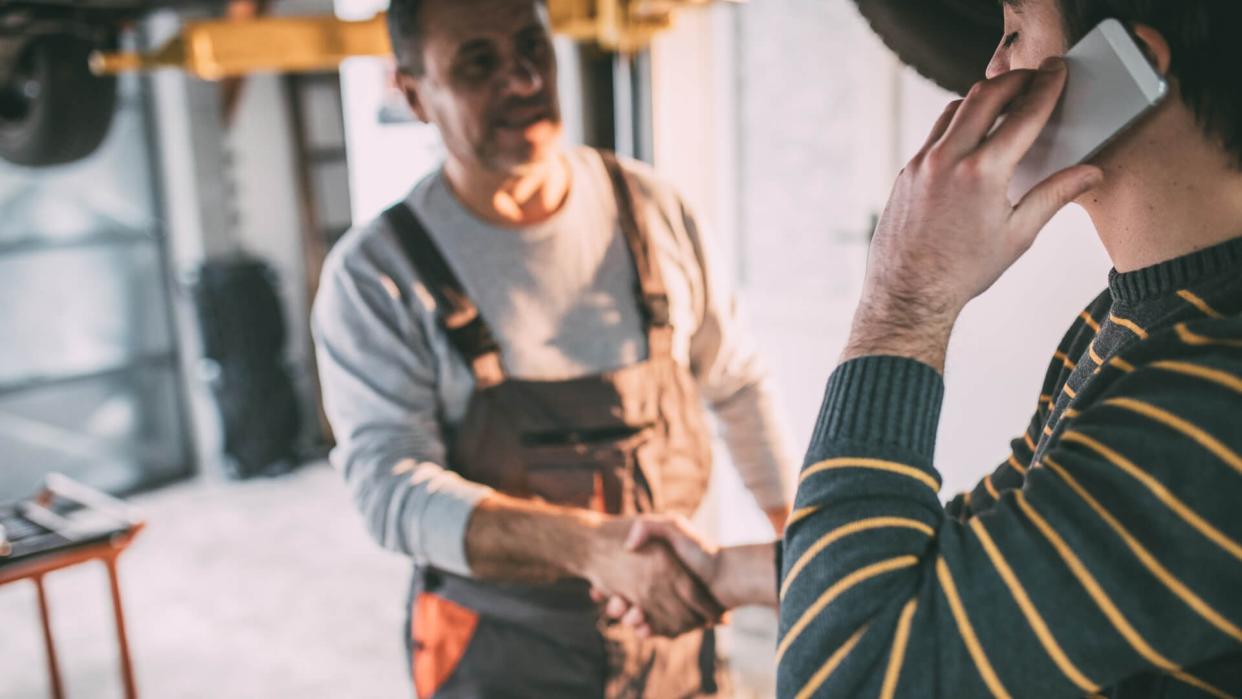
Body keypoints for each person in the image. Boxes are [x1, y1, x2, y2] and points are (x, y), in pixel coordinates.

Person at [610, 0, 1242, 696]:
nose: (993, 70)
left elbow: (843, 675)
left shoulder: (1214, 395)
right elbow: (978, 552)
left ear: (1132, 65)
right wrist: (721, 573)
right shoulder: (1137, 321)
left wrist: (904, 299)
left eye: (1014, 32)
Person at [310, 0, 794, 695]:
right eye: (479, 63)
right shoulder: (378, 275)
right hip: (500, 654)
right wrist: (596, 550)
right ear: (415, 93)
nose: (523, 81)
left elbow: (738, 382)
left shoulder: (652, 211)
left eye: (532, 48)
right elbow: (390, 488)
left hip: (673, 636)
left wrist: (802, 549)